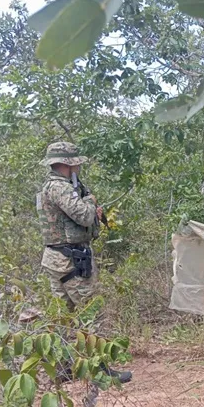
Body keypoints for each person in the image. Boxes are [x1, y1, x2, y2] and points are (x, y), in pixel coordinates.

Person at [37, 142, 131, 384]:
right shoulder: (61, 188)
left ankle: (64, 368)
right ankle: (100, 371)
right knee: (91, 315)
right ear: (67, 164)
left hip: (57, 259)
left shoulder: (51, 187)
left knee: (63, 317)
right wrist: (90, 201)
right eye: (75, 162)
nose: (78, 165)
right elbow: (85, 215)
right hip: (72, 262)